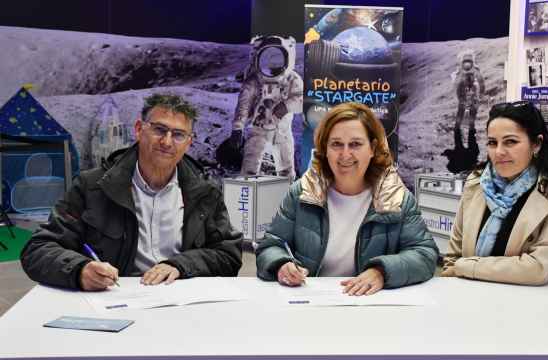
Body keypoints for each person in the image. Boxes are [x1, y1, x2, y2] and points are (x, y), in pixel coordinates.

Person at [21, 94, 243, 291]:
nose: (166, 142)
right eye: (159, 129)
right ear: (139, 129)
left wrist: (181, 265)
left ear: (189, 142)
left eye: (178, 135)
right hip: (113, 299)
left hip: (181, 300)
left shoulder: (204, 193)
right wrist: (79, 270)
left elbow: (228, 255)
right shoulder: (92, 187)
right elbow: (38, 249)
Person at [256, 102, 438, 295]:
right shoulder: (301, 193)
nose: (345, 154)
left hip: (372, 306)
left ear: (373, 148)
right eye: (336, 144)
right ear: (325, 149)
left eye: (355, 144)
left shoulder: (397, 198)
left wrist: (381, 271)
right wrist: (281, 264)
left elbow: (424, 254)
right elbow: (270, 246)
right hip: (312, 303)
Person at [441, 101, 548, 285]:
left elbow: (537, 269)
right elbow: (454, 256)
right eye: (492, 143)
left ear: (536, 144)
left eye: (511, 141)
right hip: (474, 299)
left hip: (534, 304)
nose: (499, 152)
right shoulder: (476, 183)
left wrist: (468, 267)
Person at [227, 35, 303, 180]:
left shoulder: (292, 79)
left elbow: (301, 99)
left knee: (287, 169)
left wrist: (286, 106)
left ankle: (286, 195)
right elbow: (244, 105)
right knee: (250, 167)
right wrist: (238, 128)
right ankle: (248, 190)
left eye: (279, 57)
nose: (273, 64)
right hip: (258, 131)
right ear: (258, 58)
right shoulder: (254, 81)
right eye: (266, 57)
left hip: (283, 132)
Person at [452, 50, 485, 132]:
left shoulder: (476, 71)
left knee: (472, 111)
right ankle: (458, 126)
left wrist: (480, 94)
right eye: (465, 61)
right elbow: (457, 84)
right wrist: (459, 97)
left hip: (473, 93)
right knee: (461, 111)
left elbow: (481, 82)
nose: (467, 64)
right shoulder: (460, 72)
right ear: (462, 63)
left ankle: (471, 126)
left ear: (472, 62)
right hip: (463, 93)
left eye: (469, 61)